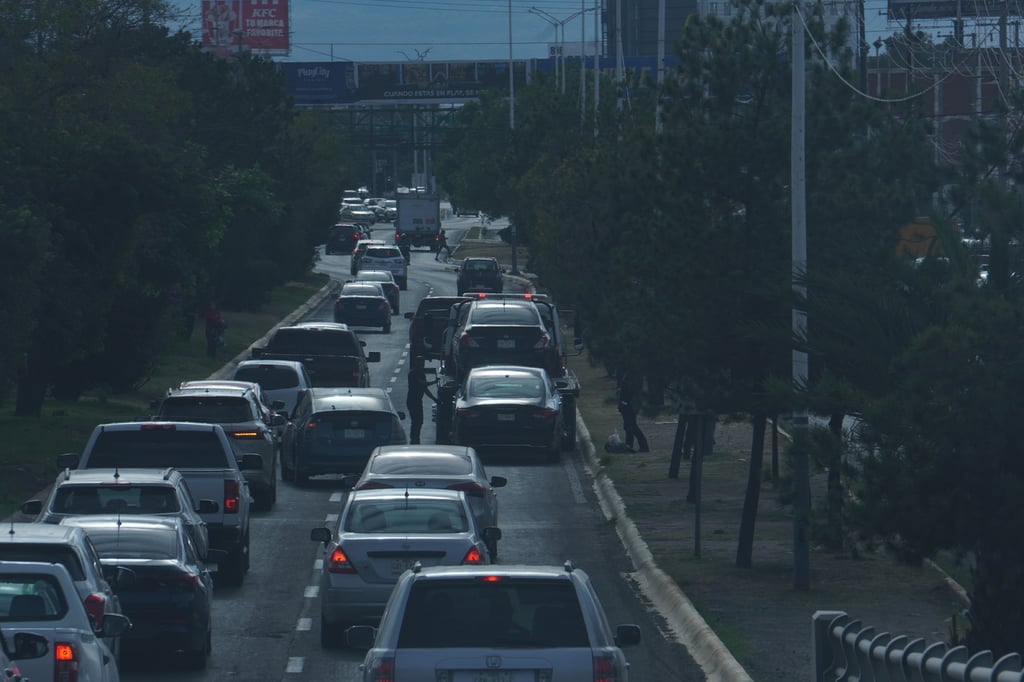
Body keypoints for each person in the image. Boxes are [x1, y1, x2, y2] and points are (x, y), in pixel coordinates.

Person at [406, 355, 437, 444]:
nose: (422, 364)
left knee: (419, 421)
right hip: (412, 400)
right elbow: (422, 383)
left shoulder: (422, 374)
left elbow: (424, 389)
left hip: (418, 401)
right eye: (420, 362)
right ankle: (414, 439)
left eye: (423, 362)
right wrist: (433, 382)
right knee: (415, 420)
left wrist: (434, 399)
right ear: (416, 363)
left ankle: (416, 438)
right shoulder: (413, 373)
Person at [616, 371, 649, 453]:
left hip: (629, 404)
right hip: (627, 403)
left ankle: (642, 445)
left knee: (632, 426)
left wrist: (625, 402)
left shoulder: (634, 375)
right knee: (628, 426)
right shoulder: (630, 374)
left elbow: (631, 390)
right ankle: (629, 445)